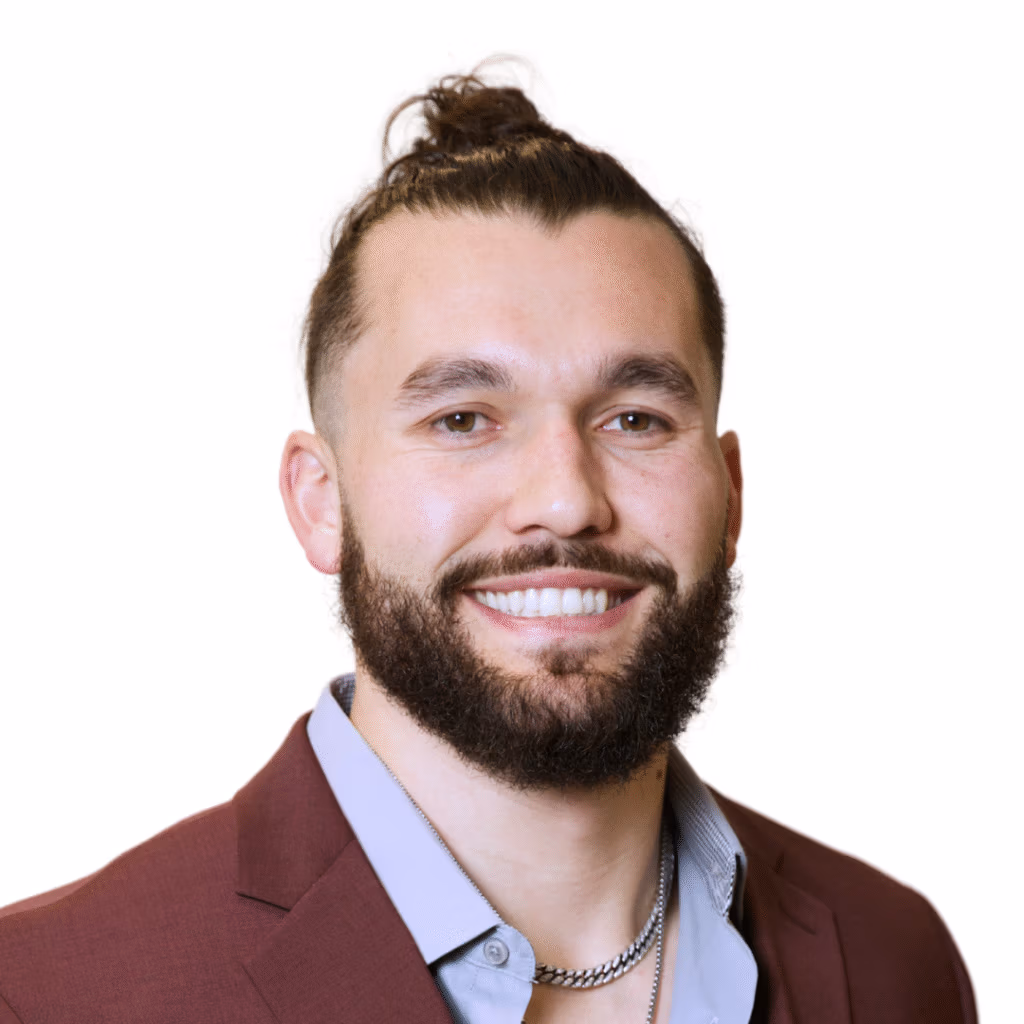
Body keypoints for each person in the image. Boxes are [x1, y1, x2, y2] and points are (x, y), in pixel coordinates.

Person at [0, 71, 976, 1024]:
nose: (564, 501)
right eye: (463, 418)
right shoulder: (46, 995)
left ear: (729, 496)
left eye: (635, 419)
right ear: (320, 502)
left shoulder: (896, 961)